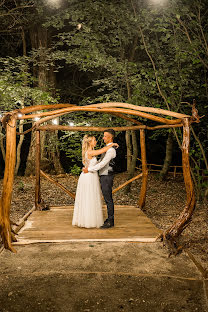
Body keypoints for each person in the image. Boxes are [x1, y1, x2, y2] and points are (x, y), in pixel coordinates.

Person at [72, 134, 118, 228]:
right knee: (89, 197)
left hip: (90, 175)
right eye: (94, 140)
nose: (96, 141)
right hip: (88, 177)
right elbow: (102, 150)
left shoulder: (91, 151)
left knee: (91, 197)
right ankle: (87, 221)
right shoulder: (90, 152)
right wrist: (112, 144)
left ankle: (90, 219)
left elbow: (96, 163)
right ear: (89, 142)